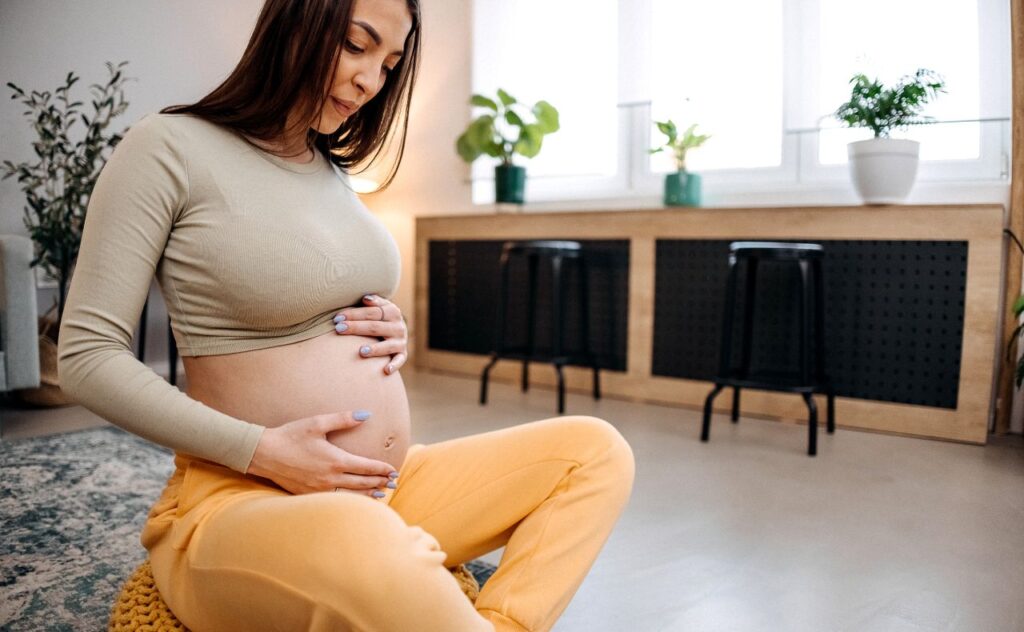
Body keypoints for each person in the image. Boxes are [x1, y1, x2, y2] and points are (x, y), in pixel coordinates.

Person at [57, 0, 634, 630]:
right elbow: (88, 358)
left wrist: (390, 326)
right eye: (357, 46)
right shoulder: (167, 146)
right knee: (361, 536)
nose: (372, 81)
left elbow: (318, 290)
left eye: (389, 63)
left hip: (382, 488)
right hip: (239, 500)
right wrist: (262, 451)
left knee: (594, 452)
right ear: (296, 22)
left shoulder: (330, 167)